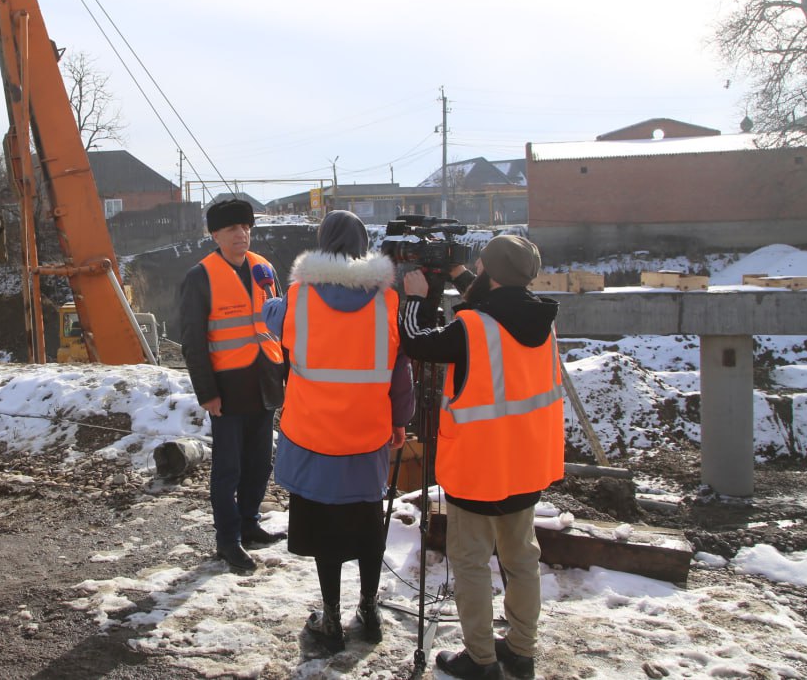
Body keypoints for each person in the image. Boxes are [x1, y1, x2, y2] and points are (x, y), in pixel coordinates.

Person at [398, 234, 562, 680]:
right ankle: (521, 652)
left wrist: (413, 299)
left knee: (470, 562)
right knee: (521, 559)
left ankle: (481, 661)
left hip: (478, 468)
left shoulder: (472, 329)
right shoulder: (541, 322)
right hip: (526, 464)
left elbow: (417, 341)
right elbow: (503, 304)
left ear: (490, 273)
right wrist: (460, 276)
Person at [261, 210, 413, 654]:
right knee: (367, 522)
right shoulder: (388, 299)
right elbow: (400, 370)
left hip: (312, 435)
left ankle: (329, 618)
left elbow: (271, 319)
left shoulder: (296, 297)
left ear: (322, 243)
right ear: (363, 246)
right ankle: (369, 609)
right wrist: (399, 421)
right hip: (367, 436)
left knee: (324, 528)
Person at [180, 198, 287, 573]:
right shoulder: (201, 276)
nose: (241, 234)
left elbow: (279, 324)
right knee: (228, 468)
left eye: (245, 227)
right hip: (228, 386)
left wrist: (286, 372)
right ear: (215, 235)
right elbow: (193, 341)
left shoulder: (265, 269)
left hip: (266, 381)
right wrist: (207, 393)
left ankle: (249, 522)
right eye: (231, 229)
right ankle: (228, 539)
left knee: (260, 462)